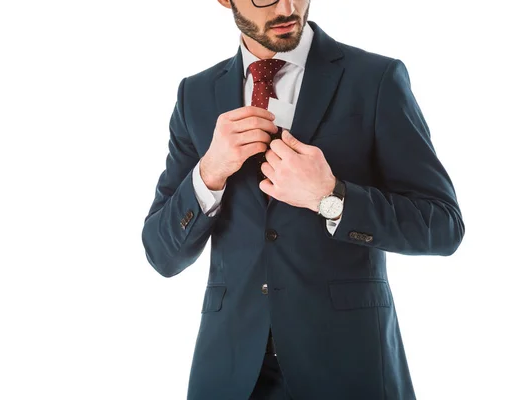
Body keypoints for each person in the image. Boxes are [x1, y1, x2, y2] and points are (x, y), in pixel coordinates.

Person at [141, 0, 465, 398]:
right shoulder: (195, 95)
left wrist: (331, 198)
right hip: (229, 375)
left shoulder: (375, 79)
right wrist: (208, 173)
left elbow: (443, 225)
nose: (289, 7)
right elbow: (161, 253)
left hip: (348, 370)